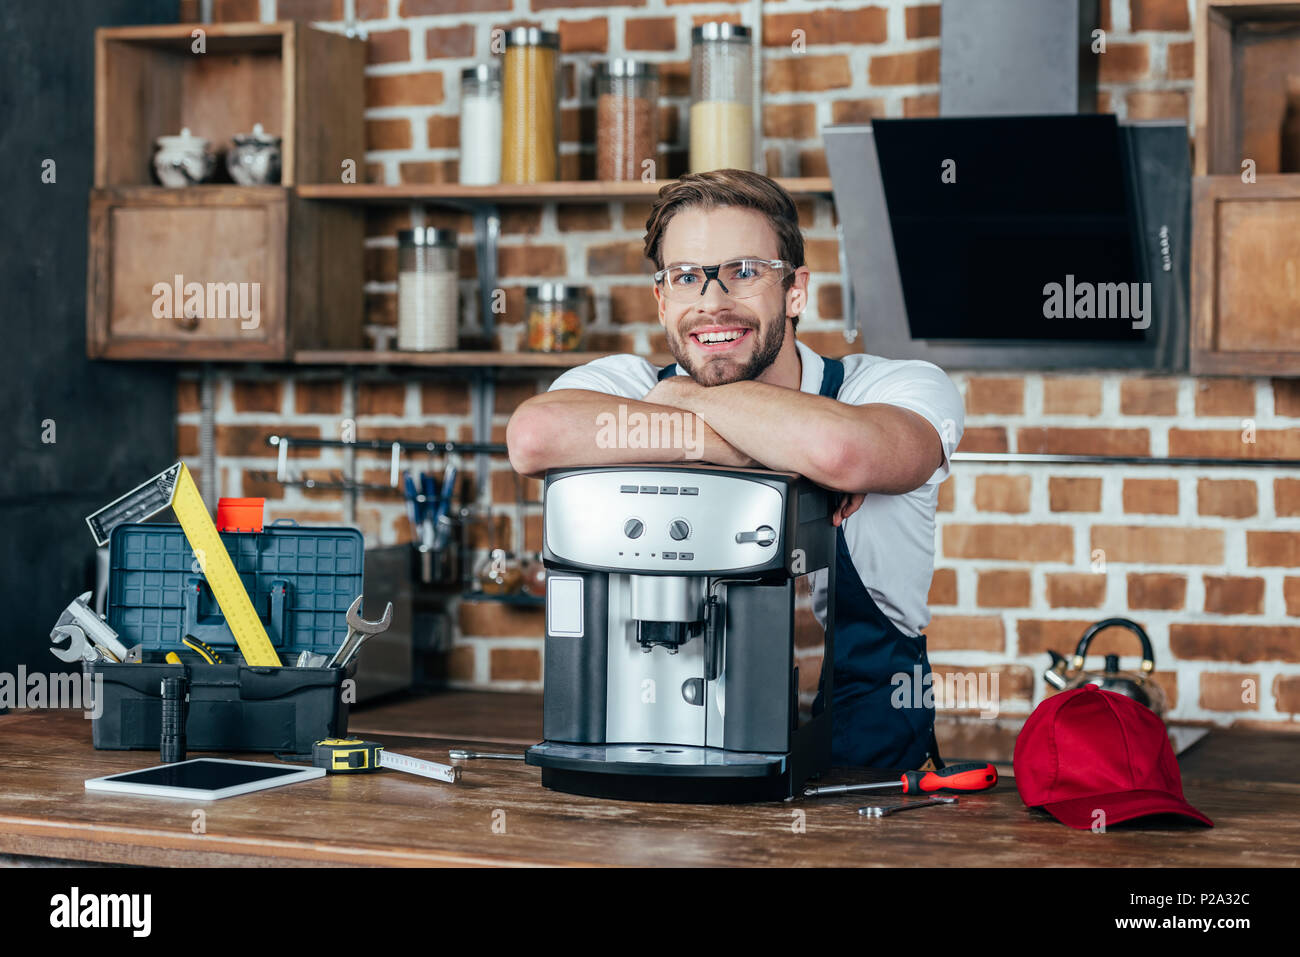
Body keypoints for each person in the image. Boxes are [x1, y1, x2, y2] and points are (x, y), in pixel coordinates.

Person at [506, 169, 964, 769]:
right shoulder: (626, 383)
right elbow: (534, 437)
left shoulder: (890, 387)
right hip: (652, 756)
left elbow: (842, 454)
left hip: (864, 782)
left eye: (744, 272)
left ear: (796, 290)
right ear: (663, 300)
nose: (712, 302)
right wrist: (769, 446)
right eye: (686, 277)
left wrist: (683, 401)